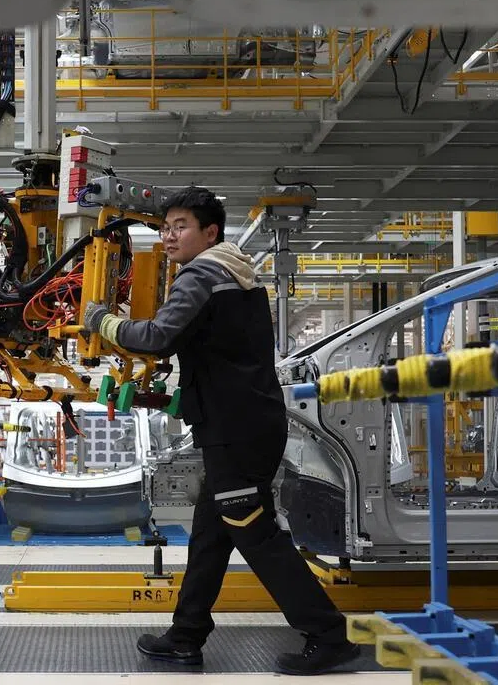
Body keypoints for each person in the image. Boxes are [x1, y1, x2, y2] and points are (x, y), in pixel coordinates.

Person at [83, 186, 359, 675]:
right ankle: (185, 636)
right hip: (245, 424)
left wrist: (102, 321)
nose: (169, 236)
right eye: (165, 228)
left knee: (254, 531)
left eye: (181, 227)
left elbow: (157, 337)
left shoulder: (201, 276)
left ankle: (327, 635)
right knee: (211, 534)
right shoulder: (236, 274)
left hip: (236, 430)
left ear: (210, 233)